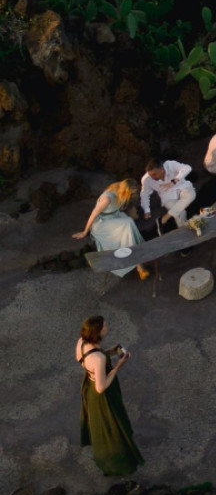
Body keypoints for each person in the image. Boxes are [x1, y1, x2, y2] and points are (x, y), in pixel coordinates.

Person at [77, 316, 143, 476]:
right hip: (103, 396)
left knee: (100, 425)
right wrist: (118, 366)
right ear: (98, 332)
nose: (107, 326)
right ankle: (120, 463)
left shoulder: (81, 342)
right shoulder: (98, 359)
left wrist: (111, 351)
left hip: (89, 385)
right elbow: (101, 387)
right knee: (112, 426)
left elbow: (84, 359)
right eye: (104, 325)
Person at [72, 180, 149, 280]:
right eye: (131, 193)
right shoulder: (107, 199)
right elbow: (93, 215)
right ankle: (139, 265)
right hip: (101, 223)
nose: (131, 195)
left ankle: (138, 261)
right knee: (127, 222)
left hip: (115, 216)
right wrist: (84, 232)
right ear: (125, 191)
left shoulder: (119, 190)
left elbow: (122, 207)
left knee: (128, 224)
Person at [140, 157, 195, 229]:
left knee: (191, 195)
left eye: (154, 174)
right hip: (167, 196)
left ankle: (165, 218)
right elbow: (144, 194)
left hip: (182, 186)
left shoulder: (170, 165)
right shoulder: (146, 179)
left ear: (162, 170)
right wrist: (146, 210)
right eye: (150, 175)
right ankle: (183, 231)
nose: (152, 177)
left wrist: (174, 181)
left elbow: (187, 168)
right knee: (179, 213)